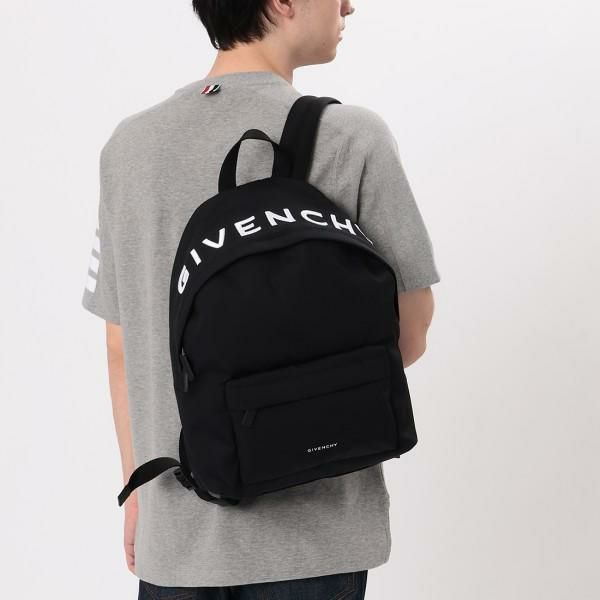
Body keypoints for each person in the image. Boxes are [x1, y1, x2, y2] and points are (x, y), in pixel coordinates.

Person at [81, 0, 440, 598]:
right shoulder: (352, 138)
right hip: (312, 543)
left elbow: (122, 347)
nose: (349, 4)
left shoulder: (129, 147)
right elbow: (410, 333)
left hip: (175, 535)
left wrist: (140, 491)